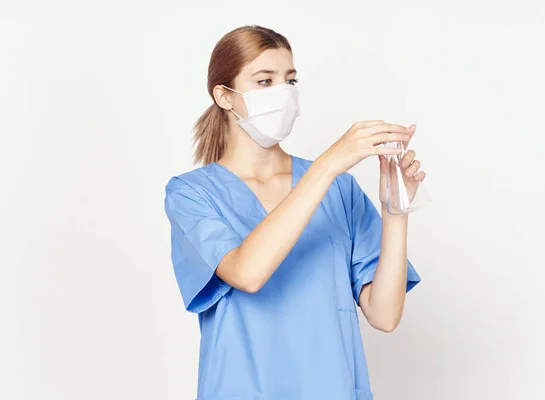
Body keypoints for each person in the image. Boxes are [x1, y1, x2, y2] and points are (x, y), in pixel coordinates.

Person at [164, 25, 426, 400]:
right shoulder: (192, 194)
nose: (282, 93)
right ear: (224, 96)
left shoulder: (339, 189)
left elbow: (384, 315)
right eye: (264, 80)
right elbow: (247, 273)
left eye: (290, 80)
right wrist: (328, 164)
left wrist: (396, 210)